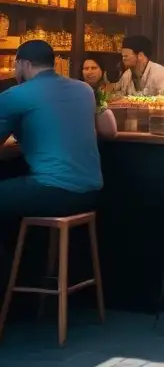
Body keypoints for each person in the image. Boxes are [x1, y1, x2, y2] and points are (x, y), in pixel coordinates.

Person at [0, 41, 106, 266]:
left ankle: (10, 283)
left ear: (23, 64)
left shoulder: (16, 95)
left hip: (53, 191)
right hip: (92, 191)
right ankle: (26, 277)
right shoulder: (85, 89)